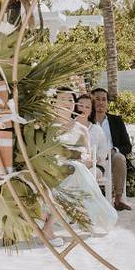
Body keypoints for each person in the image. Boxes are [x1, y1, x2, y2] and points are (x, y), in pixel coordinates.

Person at [40, 90, 118, 243]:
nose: (67, 102)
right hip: (51, 169)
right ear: (54, 103)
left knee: (76, 170)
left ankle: (48, 225)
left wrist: (80, 157)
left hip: (74, 169)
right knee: (75, 173)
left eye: (70, 99)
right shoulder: (46, 127)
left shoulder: (82, 129)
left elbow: (88, 156)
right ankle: (47, 223)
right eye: (62, 99)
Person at [91, 87, 134, 211]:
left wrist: (114, 150)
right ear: (92, 101)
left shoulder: (116, 121)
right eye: (97, 99)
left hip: (112, 157)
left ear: (107, 103)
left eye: (104, 99)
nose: (100, 102)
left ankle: (118, 200)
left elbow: (127, 146)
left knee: (120, 157)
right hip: (92, 157)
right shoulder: (87, 121)